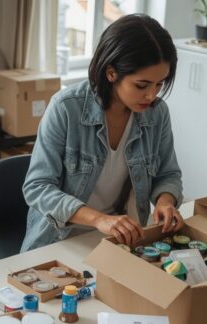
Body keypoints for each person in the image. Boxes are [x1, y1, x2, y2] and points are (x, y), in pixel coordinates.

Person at [21, 14, 184, 252]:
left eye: (160, 84)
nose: (152, 95)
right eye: (142, 85)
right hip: (60, 239)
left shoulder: (156, 114)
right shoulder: (66, 107)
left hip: (123, 239)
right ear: (111, 73)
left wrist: (165, 202)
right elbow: (37, 187)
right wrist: (99, 219)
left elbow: (168, 173)